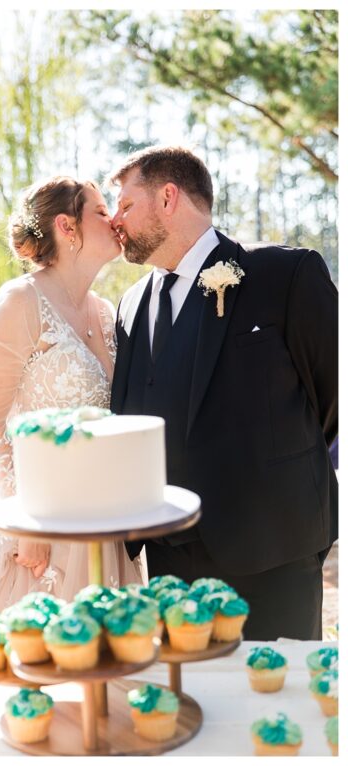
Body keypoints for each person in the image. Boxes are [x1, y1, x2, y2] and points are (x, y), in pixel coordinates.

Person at [109, 145, 337, 640]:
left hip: (271, 545)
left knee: (280, 705)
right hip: (168, 555)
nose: (114, 219)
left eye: (126, 205)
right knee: (189, 706)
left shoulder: (285, 274)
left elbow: (331, 393)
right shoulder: (129, 305)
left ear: (168, 198)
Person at [0, 177, 142, 624]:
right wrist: (21, 522)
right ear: (68, 227)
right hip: (34, 517)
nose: (116, 220)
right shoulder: (19, 302)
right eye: (102, 211)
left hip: (100, 520)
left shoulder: (107, 312)